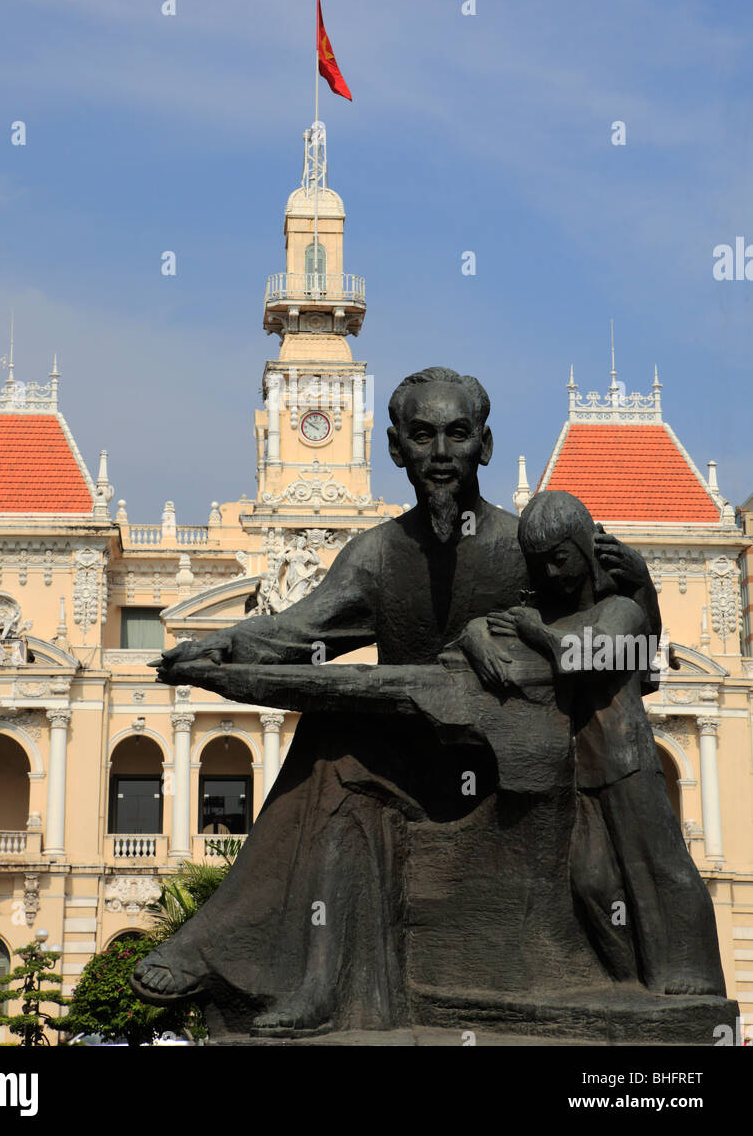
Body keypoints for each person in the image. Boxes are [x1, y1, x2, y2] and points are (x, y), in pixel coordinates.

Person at [131, 369, 659, 1034]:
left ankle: (224, 946)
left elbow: (624, 638)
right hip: (412, 760)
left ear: (486, 446)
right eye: (422, 435)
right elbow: (295, 631)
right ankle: (324, 985)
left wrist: (638, 595)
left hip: (515, 765)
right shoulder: (378, 555)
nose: (440, 452)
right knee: (337, 743)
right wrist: (215, 650)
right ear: (395, 448)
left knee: (340, 741)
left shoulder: (525, 548)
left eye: (457, 434)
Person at [471, 489, 724, 997]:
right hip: (581, 772)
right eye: (541, 565)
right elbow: (485, 626)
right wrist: (478, 635)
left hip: (627, 762)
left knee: (661, 865)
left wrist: (537, 633)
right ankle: (628, 978)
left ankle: (690, 972)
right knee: (591, 881)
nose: (552, 575)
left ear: (586, 551)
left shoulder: (619, 612)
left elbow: (589, 656)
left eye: (561, 559)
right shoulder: (552, 615)